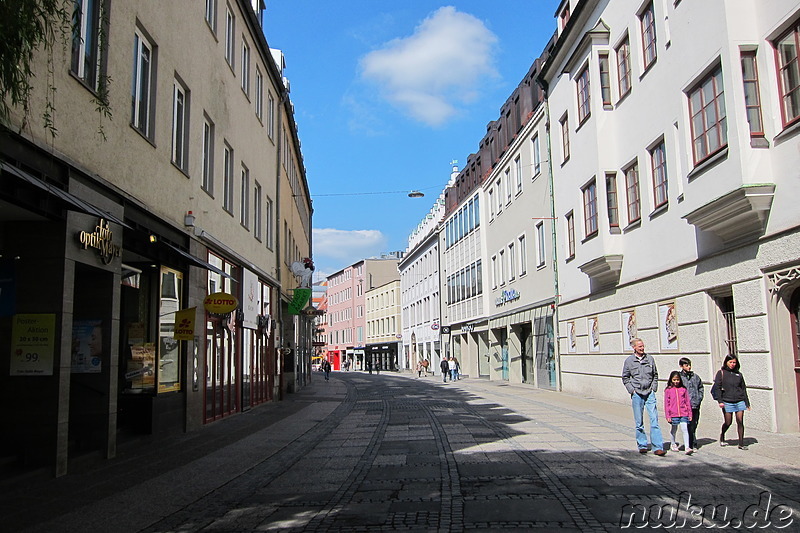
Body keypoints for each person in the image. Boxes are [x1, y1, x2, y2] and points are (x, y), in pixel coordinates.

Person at [622, 338, 666, 456]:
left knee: (654, 420)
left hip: (649, 392)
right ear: (634, 347)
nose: (642, 348)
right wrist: (632, 390)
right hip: (637, 393)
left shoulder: (650, 359)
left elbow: (655, 375)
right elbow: (625, 377)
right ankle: (642, 445)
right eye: (639, 346)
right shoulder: (629, 361)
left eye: (643, 346)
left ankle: (658, 446)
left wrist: (654, 387)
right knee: (639, 422)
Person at [712, 354, 751, 450]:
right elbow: (717, 387)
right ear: (726, 362)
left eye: (734, 362)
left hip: (739, 400)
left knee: (740, 421)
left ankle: (741, 443)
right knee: (728, 422)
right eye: (730, 362)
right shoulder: (721, 373)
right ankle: (722, 435)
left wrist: (747, 403)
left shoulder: (739, 374)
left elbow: (743, 389)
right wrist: (720, 401)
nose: (732, 364)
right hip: (727, 401)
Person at [664, 371, 693, 455]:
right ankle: (673, 444)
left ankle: (687, 447)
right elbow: (666, 403)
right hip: (673, 413)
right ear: (671, 380)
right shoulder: (668, 390)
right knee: (674, 429)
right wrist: (668, 415)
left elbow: (687, 402)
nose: (676, 381)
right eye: (674, 380)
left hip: (683, 413)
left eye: (677, 380)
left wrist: (689, 413)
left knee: (684, 429)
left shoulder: (683, 389)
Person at [679, 357, 704, 450]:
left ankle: (692, 440)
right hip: (685, 405)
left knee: (694, 423)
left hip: (695, 404)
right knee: (688, 424)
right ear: (681, 366)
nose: (689, 367)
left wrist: (699, 398)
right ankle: (691, 443)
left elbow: (700, 387)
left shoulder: (695, 377)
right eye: (686, 365)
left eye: (689, 365)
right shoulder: (679, 377)